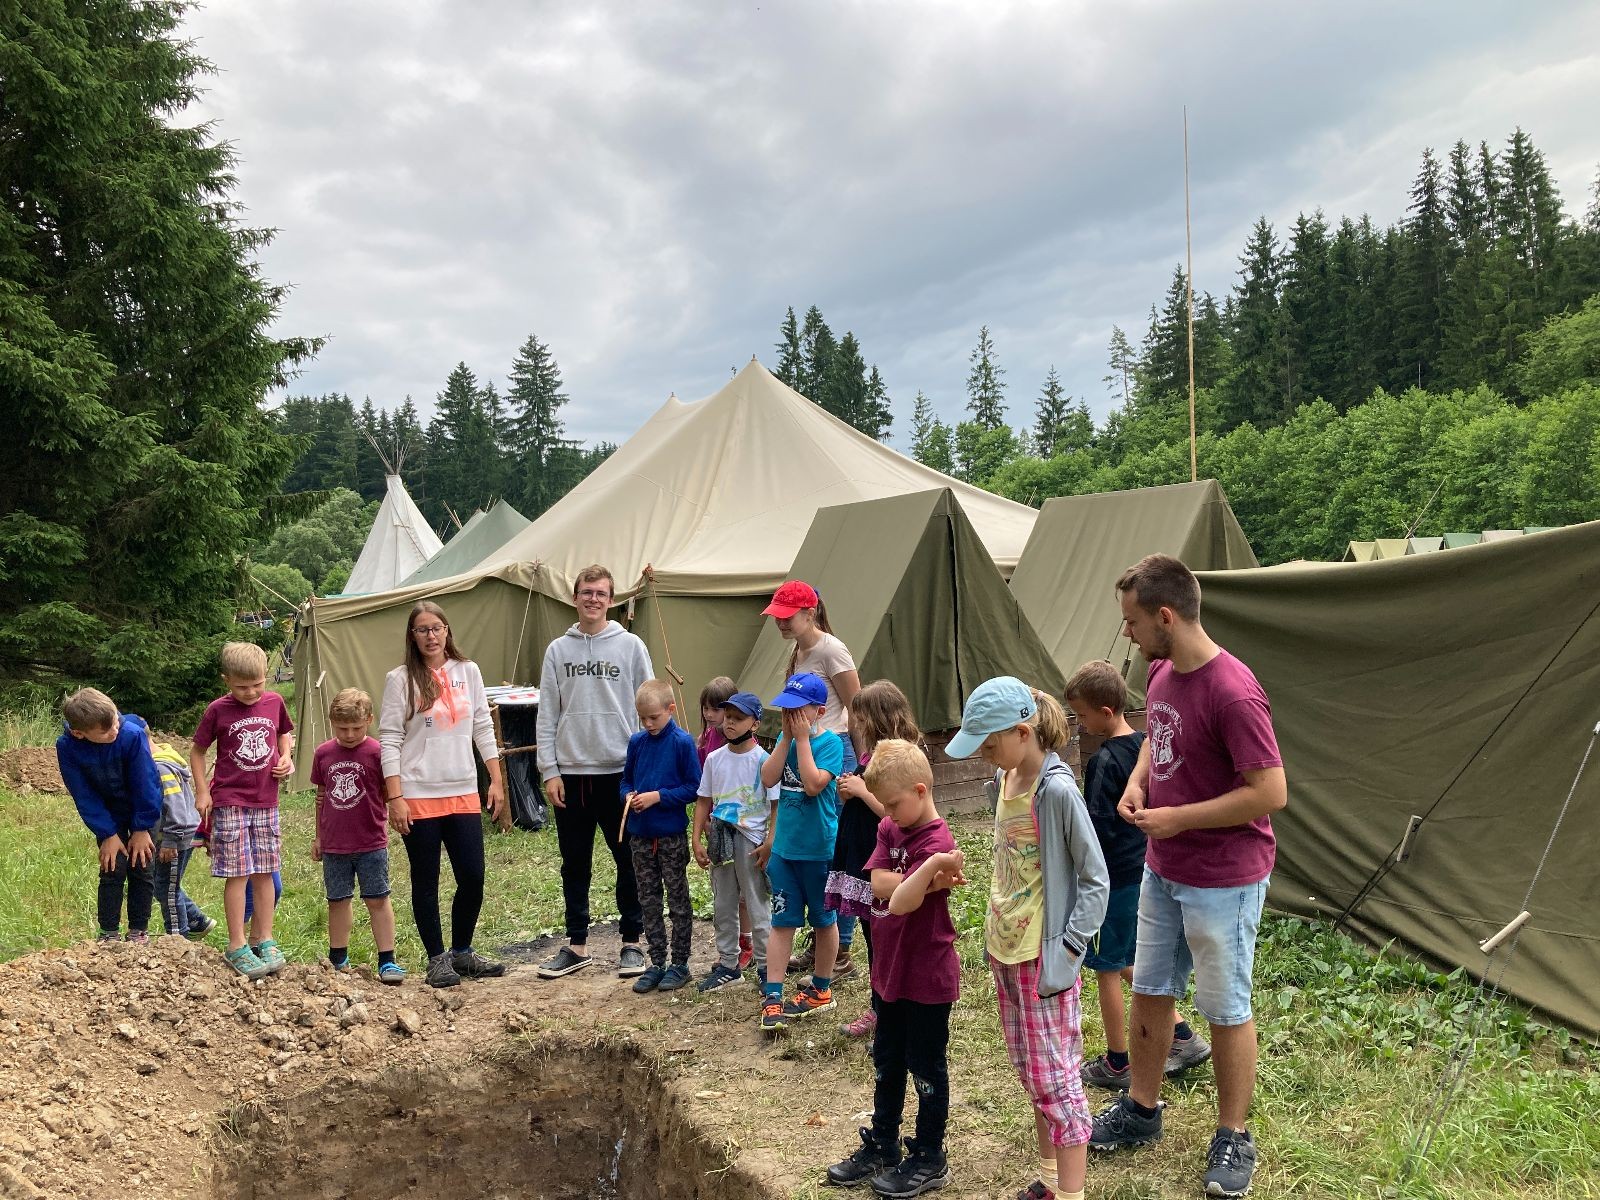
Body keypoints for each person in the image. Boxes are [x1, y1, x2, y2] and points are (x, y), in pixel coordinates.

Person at [1088, 555, 1287, 1200]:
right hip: (1163, 870)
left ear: (1166, 616)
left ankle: (1233, 1135)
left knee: (1225, 1007)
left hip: (1224, 878)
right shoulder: (1162, 672)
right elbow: (1157, 733)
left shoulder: (1233, 691)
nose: (1127, 633)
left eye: (1133, 621)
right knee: (1149, 989)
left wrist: (1178, 819)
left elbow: (1270, 792)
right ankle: (1141, 1109)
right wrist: (1139, 782)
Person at [947, 677, 1108, 1200]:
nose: (983, 755)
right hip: (1005, 951)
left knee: (1058, 1081)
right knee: (1033, 1072)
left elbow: (1095, 878)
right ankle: (1049, 1180)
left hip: (1043, 958)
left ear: (1022, 732)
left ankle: (1072, 1193)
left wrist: (1071, 945)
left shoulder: (1056, 791)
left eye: (989, 743)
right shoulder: (1005, 778)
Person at [824, 739, 963, 1197]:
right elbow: (880, 885)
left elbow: (899, 901)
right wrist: (926, 875)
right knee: (887, 1058)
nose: (887, 813)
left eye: (894, 804)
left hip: (927, 975)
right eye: (883, 805)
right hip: (889, 971)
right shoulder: (890, 827)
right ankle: (884, 1141)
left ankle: (929, 1154)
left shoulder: (937, 841)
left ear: (921, 791)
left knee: (925, 1065)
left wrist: (927, 868)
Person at [1063, 661, 1210, 1091]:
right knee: (1127, 958)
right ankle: (1183, 1035)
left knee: (1105, 967)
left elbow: (1094, 831)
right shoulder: (1147, 748)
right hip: (1144, 872)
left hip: (1112, 880)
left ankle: (1117, 1061)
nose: (1080, 724)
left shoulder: (1105, 761)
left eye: (1082, 715)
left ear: (1106, 712)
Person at [380, 601, 509, 990]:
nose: (431, 636)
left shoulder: (468, 671)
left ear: (447, 630)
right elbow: (390, 738)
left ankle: (462, 951)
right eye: (422, 630)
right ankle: (437, 958)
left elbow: (482, 725)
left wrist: (496, 779)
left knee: (472, 875)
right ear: (412, 636)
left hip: (462, 787)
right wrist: (395, 797)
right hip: (418, 792)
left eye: (437, 628)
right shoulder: (400, 679)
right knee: (427, 879)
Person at [535, 565, 654, 981]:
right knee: (574, 863)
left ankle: (632, 942)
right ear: (575, 598)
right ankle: (577, 945)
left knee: (628, 859)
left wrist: (646, 766)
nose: (593, 599)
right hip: (571, 773)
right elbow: (547, 714)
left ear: (611, 600)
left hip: (620, 771)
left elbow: (650, 707)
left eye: (601, 593)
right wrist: (550, 770)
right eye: (586, 592)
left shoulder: (631, 646)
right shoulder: (557, 651)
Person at [762, 579, 861, 976]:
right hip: (803, 748)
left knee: (833, 850)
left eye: (787, 616)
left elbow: (856, 707)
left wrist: (861, 764)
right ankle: (824, 943)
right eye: (777, 616)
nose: (781, 623)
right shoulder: (799, 650)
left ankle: (841, 949)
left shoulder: (832, 649)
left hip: (831, 750)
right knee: (809, 845)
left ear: (810, 612)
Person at [191, 643, 295, 980]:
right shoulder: (217, 710)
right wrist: (202, 791)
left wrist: (286, 757)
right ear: (226, 680)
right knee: (238, 873)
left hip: (266, 800)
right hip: (230, 800)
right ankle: (236, 944)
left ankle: (264, 938)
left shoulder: (274, 702)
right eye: (241, 687)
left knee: (265, 870)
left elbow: (284, 733)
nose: (251, 693)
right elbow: (197, 752)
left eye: (257, 684)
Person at [826, 679, 920, 1041]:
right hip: (863, 854)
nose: (857, 724)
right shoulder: (869, 756)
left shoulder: (901, 758)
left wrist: (863, 791)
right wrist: (850, 791)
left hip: (886, 859)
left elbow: (899, 813)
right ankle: (880, 1008)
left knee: (888, 938)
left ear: (880, 717)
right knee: (873, 937)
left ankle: (894, 1013)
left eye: (862, 718)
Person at [758, 672, 846, 1032]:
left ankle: (821, 989)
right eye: (786, 709)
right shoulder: (785, 739)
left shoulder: (831, 745)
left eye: (798, 710)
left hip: (819, 852)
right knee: (782, 922)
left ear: (819, 712)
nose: (790, 716)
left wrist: (804, 739)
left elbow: (812, 785)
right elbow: (767, 778)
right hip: (785, 852)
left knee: (824, 920)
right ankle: (773, 995)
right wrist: (786, 739)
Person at [312, 688, 405, 984]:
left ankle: (387, 960)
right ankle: (338, 958)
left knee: (378, 899)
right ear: (332, 723)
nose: (350, 734)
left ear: (369, 720)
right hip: (335, 844)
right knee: (337, 900)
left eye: (356, 727)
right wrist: (318, 837)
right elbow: (321, 797)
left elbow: (389, 792)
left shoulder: (378, 753)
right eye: (342, 728)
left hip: (370, 842)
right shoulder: (323, 753)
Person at [56, 688, 161, 945]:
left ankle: (139, 931)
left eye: (115, 722)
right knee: (112, 867)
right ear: (79, 733)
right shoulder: (67, 747)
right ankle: (108, 933)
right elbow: (83, 794)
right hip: (107, 815)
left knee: (142, 866)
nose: (114, 731)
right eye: (105, 731)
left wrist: (142, 828)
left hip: (142, 809)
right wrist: (107, 834)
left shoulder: (131, 734)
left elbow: (146, 783)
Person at [621, 679, 702, 994]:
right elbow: (626, 780)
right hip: (640, 837)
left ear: (671, 709)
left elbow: (694, 788)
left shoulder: (682, 743)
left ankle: (680, 964)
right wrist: (628, 795)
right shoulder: (637, 742)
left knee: (677, 898)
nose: (648, 724)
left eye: (653, 717)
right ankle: (656, 962)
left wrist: (658, 797)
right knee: (648, 899)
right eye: (643, 718)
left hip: (670, 837)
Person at [691, 690, 775, 992]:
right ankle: (729, 965)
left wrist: (770, 842)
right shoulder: (715, 759)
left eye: (738, 719)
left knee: (757, 904)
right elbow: (704, 800)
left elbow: (776, 805)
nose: (730, 723)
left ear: (755, 724)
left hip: (752, 841)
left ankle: (766, 968)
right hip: (720, 838)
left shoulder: (764, 760)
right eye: (727, 717)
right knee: (723, 903)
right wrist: (697, 839)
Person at [698, 675, 755, 970]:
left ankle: (748, 942)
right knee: (724, 891)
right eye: (706, 708)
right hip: (716, 825)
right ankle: (730, 949)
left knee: (746, 892)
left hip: (744, 828)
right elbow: (705, 789)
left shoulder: (744, 748)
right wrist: (705, 823)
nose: (711, 715)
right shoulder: (708, 740)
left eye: (716, 709)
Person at [150, 740, 214, 939]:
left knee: (168, 890)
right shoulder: (162, 762)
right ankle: (197, 920)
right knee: (161, 885)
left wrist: (170, 840)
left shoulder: (161, 769)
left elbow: (176, 808)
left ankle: (178, 938)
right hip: (171, 835)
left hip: (175, 838)